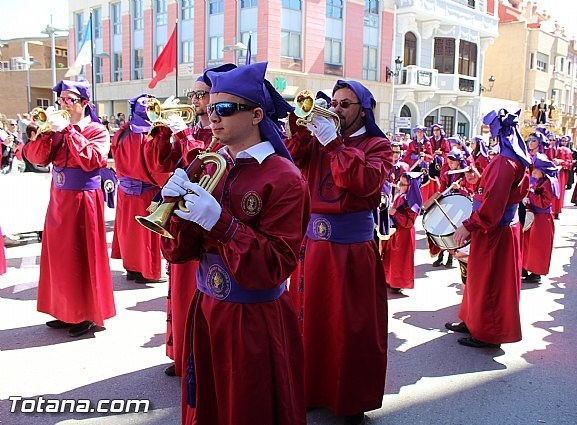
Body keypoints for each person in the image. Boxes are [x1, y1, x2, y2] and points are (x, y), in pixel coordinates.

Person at [160, 62, 308, 425]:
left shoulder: (285, 178)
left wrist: (221, 223)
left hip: (252, 319)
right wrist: (174, 211)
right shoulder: (212, 165)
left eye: (224, 109)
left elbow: (274, 265)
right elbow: (178, 252)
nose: (213, 117)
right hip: (207, 306)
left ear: (257, 114)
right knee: (208, 404)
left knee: (247, 407)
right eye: (211, 108)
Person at [285, 79, 392, 425]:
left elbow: (362, 182)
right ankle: (311, 390)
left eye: (345, 104)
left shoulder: (379, 145)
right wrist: (303, 129)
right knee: (308, 323)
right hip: (312, 248)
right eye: (334, 102)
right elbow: (291, 159)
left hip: (351, 252)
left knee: (350, 328)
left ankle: (349, 400)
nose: (337, 109)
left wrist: (333, 143)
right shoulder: (321, 138)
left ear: (363, 109)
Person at [145, 66, 230, 377]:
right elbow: (160, 166)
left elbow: (204, 167)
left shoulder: (223, 135)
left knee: (198, 290)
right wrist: (163, 133)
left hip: (203, 219)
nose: (194, 100)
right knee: (180, 290)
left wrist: (183, 134)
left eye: (200, 94)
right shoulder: (194, 130)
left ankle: (197, 356)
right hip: (179, 217)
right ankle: (182, 351)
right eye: (193, 94)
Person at [22, 80, 114, 337]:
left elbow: (94, 160)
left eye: (69, 99)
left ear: (84, 103)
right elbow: (37, 159)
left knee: (81, 257)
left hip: (83, 199)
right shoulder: (57, 131)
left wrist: (71, 132)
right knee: (59, 258)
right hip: (59, 198)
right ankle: (64, 311)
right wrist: (42, 133)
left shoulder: (97, 130)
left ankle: (86, 315)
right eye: (61, 99)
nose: (63, 103)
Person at [448, 109, 530, 348]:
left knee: (489, 282)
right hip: (499, 229)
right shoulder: (511, 157)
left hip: (494, 231)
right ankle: (472, 320)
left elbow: (493, 203)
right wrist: (479, 180)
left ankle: (487, 332)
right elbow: (496, 190)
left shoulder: (505, 162)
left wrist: (469, 225)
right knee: (477, 278)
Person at [110, 94, 172, 284]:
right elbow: (157, 168)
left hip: (125, 191)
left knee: (129, 234)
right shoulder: (149, 135)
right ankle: (148, 272)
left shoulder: (122, 132)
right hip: (146, 192)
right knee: (147, 236)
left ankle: (132, 269)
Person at [522, 153, 559, 283]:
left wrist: (530, 194)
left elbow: (543, 202)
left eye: (535, 171)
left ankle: (536, 272)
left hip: (542, 219)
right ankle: (526, 267)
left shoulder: (548, 183)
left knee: (538, 247)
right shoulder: (541, 181)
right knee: (528, 244)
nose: (533, 174)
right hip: (536, 216)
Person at [382, 173, 422, 293]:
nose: (400, 186)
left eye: (403, 184)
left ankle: (398, 283)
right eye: (400, 183)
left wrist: (396, 214)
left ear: (410, 186)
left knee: (400, 260)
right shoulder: (401, 197)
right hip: (396, 232)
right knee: (390, 257)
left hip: (405, 235)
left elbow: (409, 222)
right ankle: (389, 280)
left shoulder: (414, 202)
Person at [551, 136, 574, 219]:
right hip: (547, 173)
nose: (552, 141)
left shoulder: (566, 150)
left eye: (554, 140)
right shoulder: (545, 148)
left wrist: (561, 162)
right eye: (550, 140)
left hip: (560, 174)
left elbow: (570, 163)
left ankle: (556, 211)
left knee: (557, 192)